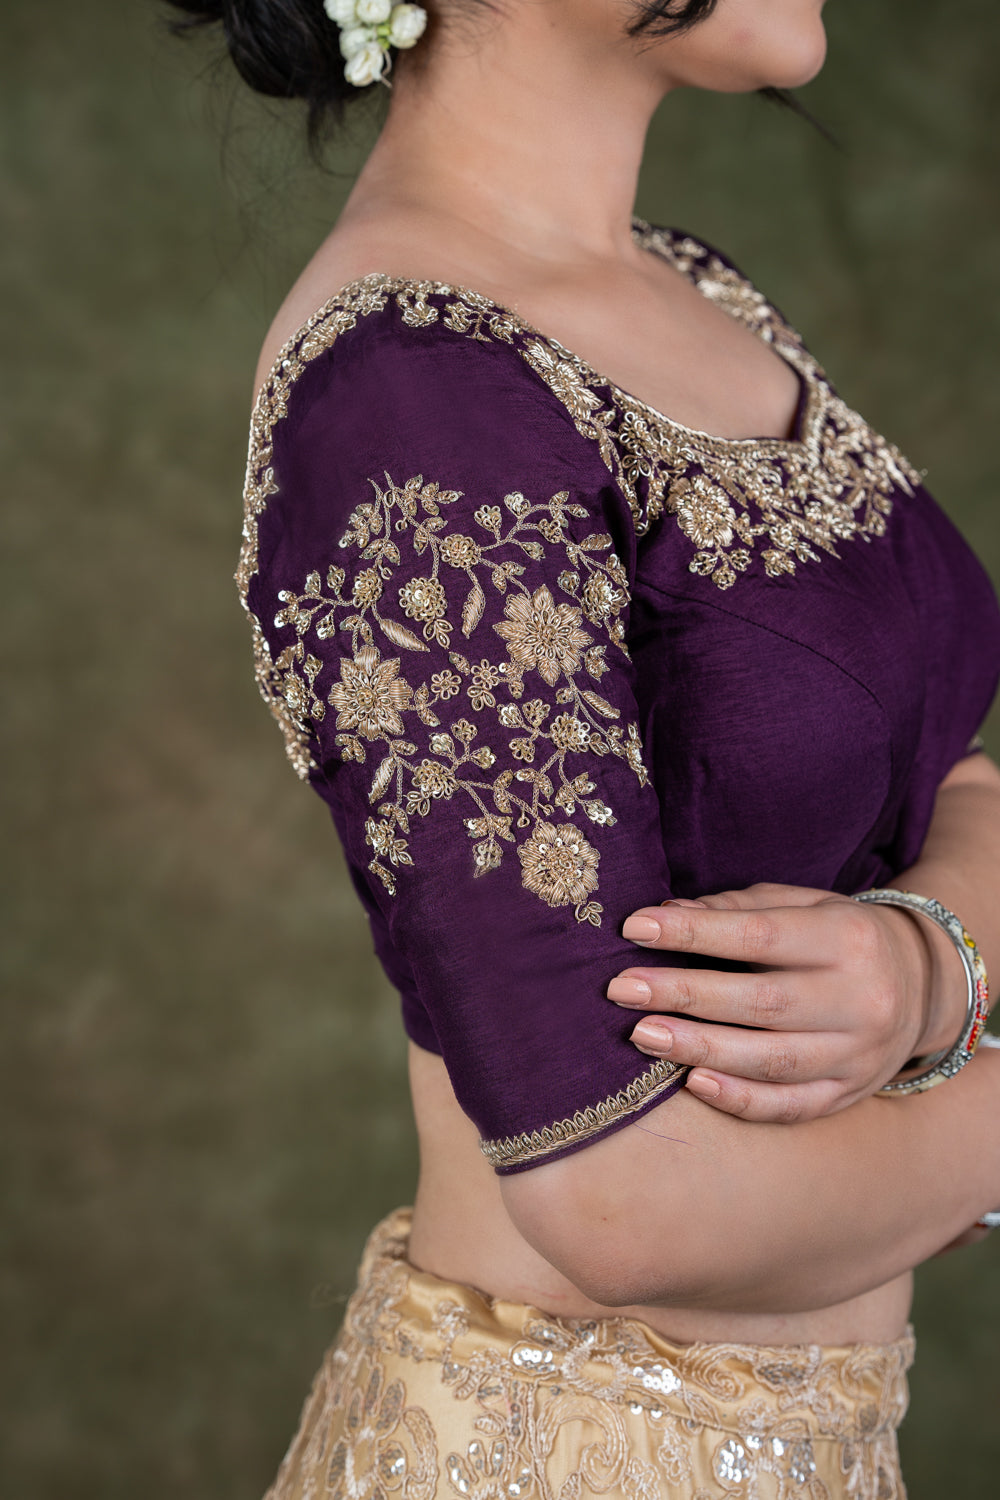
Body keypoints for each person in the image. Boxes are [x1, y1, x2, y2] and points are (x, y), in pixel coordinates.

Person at [169, 1, 1000, 1495]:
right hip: (567, 1452)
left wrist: (934, 970)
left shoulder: (693, 289)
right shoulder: (411, 385)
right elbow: (623, 1196)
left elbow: (952, 775)